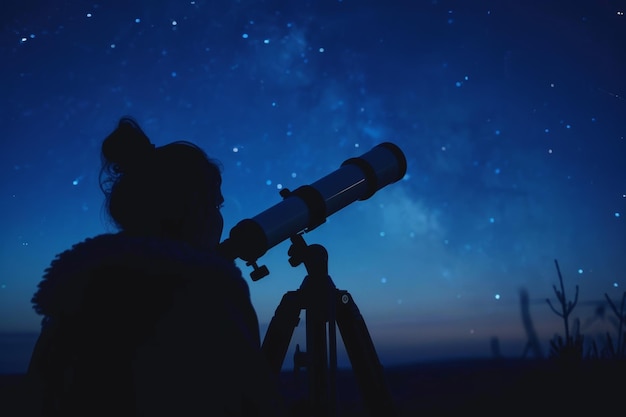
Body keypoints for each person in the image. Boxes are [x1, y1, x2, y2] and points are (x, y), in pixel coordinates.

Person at [24, 117, 288, 416]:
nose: (220, 218)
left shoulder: (78, 285)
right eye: (215, 205)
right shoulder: (208, 290)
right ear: (192, 210)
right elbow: (250, 398)